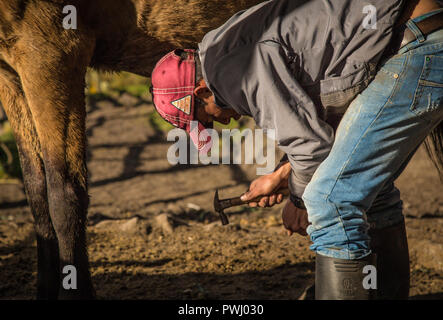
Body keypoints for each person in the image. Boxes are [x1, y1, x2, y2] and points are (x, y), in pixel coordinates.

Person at [150, 0, 443, 299]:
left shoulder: (233, 71)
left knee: (330, 200)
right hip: (417, 36)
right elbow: (314, 119)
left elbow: (312, 148)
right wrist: (282, 174)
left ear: (201, 91)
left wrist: (299, 200)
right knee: (369, 190)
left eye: (209, 118)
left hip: (418, 47)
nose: (223, 121)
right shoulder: (224, 47)